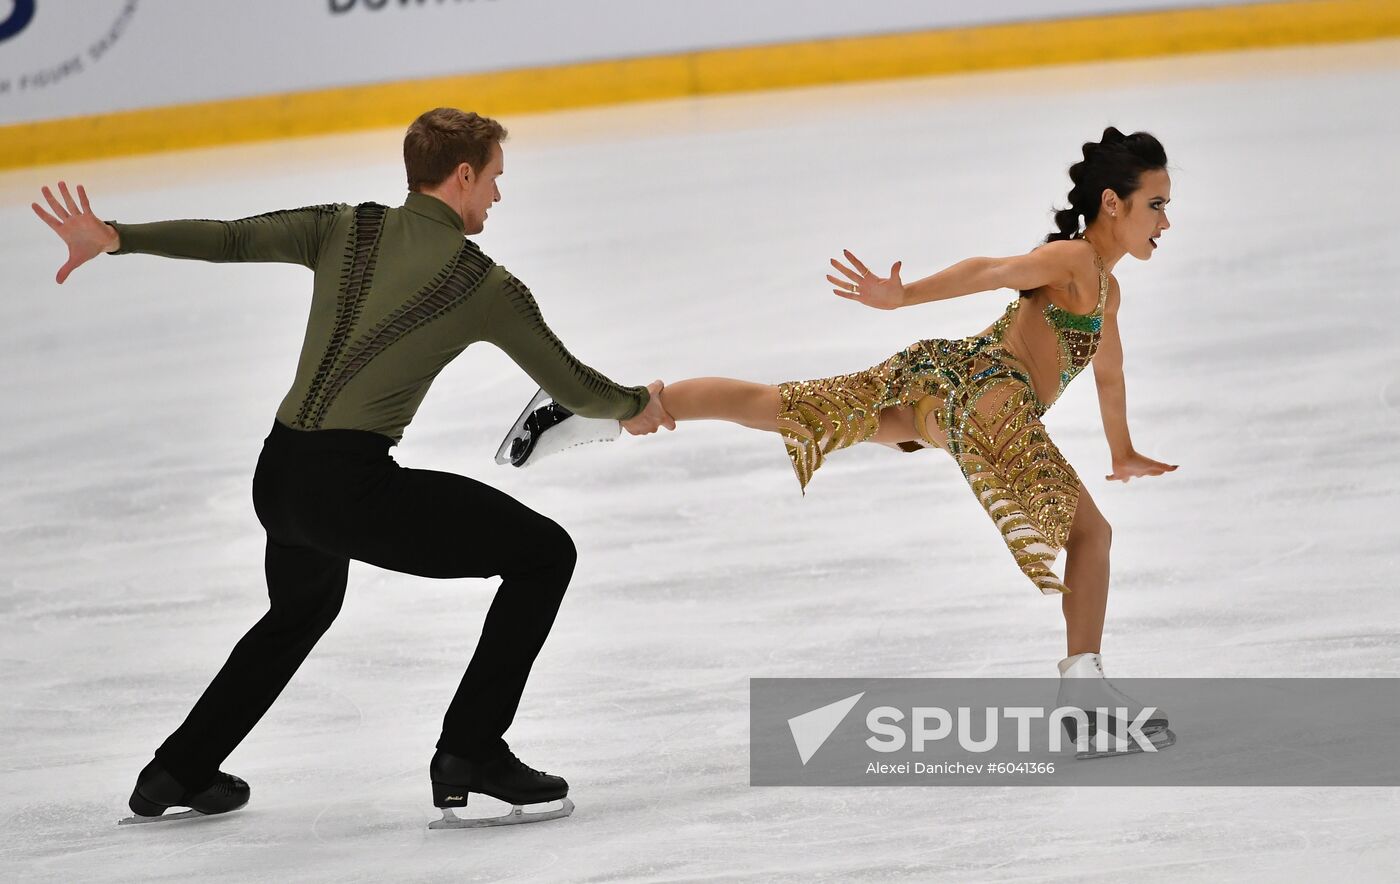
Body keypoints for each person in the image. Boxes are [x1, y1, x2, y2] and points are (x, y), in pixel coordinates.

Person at [31, 107, 673, 827]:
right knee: (544, 554)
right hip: (349, 488)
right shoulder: (482, 285)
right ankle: (472, 750)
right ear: (463, 175)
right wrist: (633, 404)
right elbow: (574, 386)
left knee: (302, 608)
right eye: (494, 178)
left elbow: (234, 240)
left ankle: (178, 770)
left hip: (278, 476)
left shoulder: (346, 225)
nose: (496, 195)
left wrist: (119, 237)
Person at [527, 127, 1178, 750]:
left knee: (784, 406)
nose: (1164, 223)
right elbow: (994, 270)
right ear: (1112, 204)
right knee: (1092, 535)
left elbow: (1110, 374)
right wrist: (905, 295)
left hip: (941, 393)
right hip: (986, 397)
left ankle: (601, 407)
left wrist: (1121, 452)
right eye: (1155, 205)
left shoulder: (1106, 292)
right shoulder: (1074, 260)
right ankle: (1086, 706)